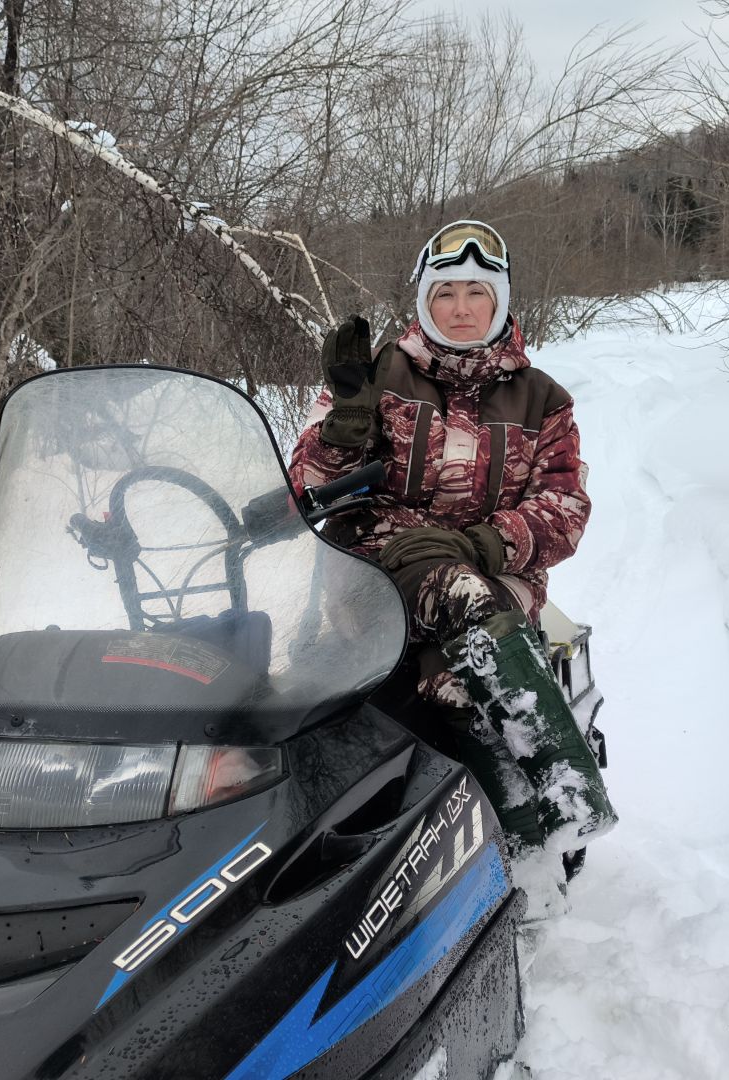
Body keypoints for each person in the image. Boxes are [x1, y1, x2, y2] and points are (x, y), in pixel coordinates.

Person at [289, 219, 615, 857]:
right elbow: (307, 487)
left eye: (476, 293)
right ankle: (565, 797)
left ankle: (525, 844)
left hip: (496, 579)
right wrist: (345, 425)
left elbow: (566, 506)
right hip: (375, 573)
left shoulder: (543, 400)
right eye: (445, 293)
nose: (461, 308)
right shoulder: (377, 374)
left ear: (500, 301)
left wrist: (485, 544)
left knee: (455, 677)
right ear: (423, 300)